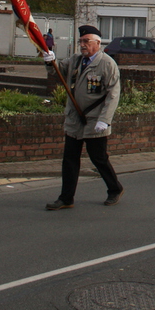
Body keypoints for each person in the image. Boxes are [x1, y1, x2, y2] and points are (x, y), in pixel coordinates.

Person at [43, 25, 123, 210]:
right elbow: (58, 70)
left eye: (86, 41)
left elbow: (113, 94)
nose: (82, 45)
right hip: (75, 118)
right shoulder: (76, 60)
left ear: (98, 43)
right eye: (81, 41)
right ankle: (66, 198)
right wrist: (50, 61)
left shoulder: (107, 64)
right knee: (70, 159)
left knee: (98, 158)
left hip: (95, 119)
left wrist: (105, 119)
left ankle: (115, 188)